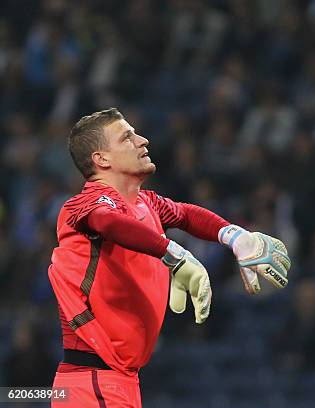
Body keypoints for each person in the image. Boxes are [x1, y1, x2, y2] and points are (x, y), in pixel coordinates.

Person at [47, 108, 290, 407]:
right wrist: (172, 254)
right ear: (102, 159)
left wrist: (236, 237)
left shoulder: (144, 203)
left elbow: (186, 214)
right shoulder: (84, 203)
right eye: (127, 137)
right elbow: (108, 223)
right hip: (92, 381)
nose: (143, 141)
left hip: (119, 380)